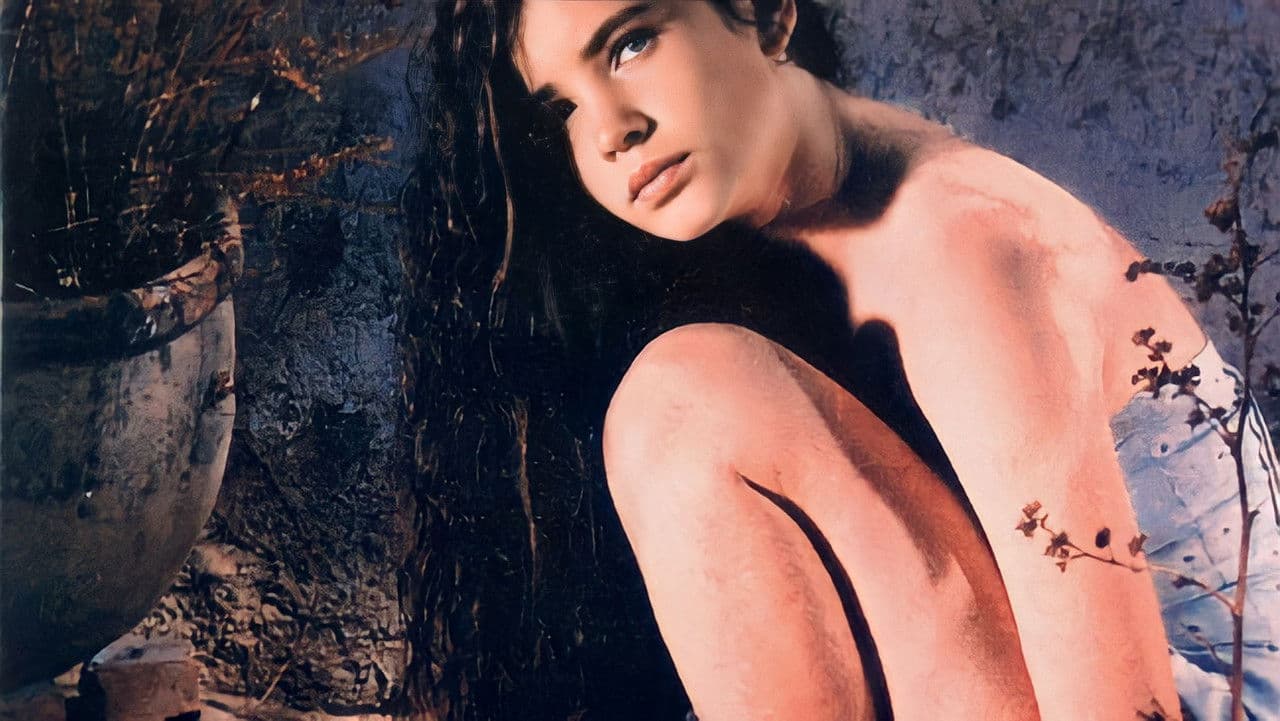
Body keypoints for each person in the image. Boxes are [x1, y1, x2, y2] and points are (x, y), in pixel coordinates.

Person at [423, 1, 1280, 719]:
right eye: (562, 108)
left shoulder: (959, 252)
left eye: (631, 44)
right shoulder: (796, 242)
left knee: (681, 404)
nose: (612, 131)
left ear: (766, 14)